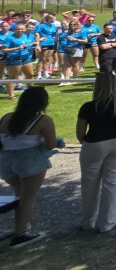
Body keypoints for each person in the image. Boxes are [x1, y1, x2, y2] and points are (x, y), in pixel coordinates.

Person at [0, 86, 62, 247]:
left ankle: (20, 229)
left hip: (6, 163)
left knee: (20, 195)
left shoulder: (6, 117)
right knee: (28, 198)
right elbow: (50, 145)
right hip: (30, 162)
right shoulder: (43, 120)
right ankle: (21, 234)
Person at [76, 71, 116, 233]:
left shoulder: (88, 107)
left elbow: (80, 133)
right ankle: (107, 223)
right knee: (112, 183)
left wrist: (88, 144)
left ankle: (88, 222)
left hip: (95, 144)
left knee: (89, 185)